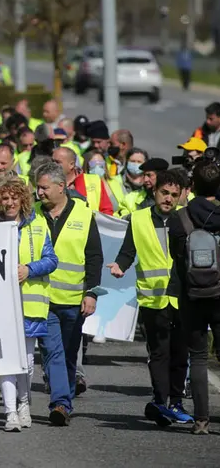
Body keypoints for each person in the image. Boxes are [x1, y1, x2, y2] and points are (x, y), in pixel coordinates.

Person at [108, 170, 192, 426]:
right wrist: (120, 265)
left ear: (180, 197)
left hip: (181, 297)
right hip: (152, 299)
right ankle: (160, 399)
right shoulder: (139, 218)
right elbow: (128, 251)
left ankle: (175, 402)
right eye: (164, 193)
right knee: (159, 354)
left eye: (174, 195)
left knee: (180, 353)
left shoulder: (185, 219)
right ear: (155, 191)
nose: (168, 199)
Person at [34, 161, 102, 426]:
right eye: (37, 187)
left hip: (75, 300)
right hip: (43, 299)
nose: (39, 193)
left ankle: (66, 399)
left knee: (70, 353)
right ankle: (60, 403)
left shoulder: (84, 215)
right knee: (53, 352)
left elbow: (94, 257)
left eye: (44, 188)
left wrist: (92, 293)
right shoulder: (33, 215)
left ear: (61, 187)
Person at [0, 178, 58, 431]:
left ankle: (24, 403)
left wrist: (28, 269)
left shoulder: (38, 225)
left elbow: (52, 260)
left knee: (27, 362)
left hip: (30, 306)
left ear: (22, 200)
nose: (9, 203)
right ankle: (10, 413)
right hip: (1, 305)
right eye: (5, 198)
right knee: (7, 359)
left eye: (14, 198)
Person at [167, 158, 220, 435]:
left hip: (192, 295)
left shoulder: (180, 218)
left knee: (198, 358)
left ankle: (201, 420)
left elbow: (176, 258)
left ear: (192, 186)